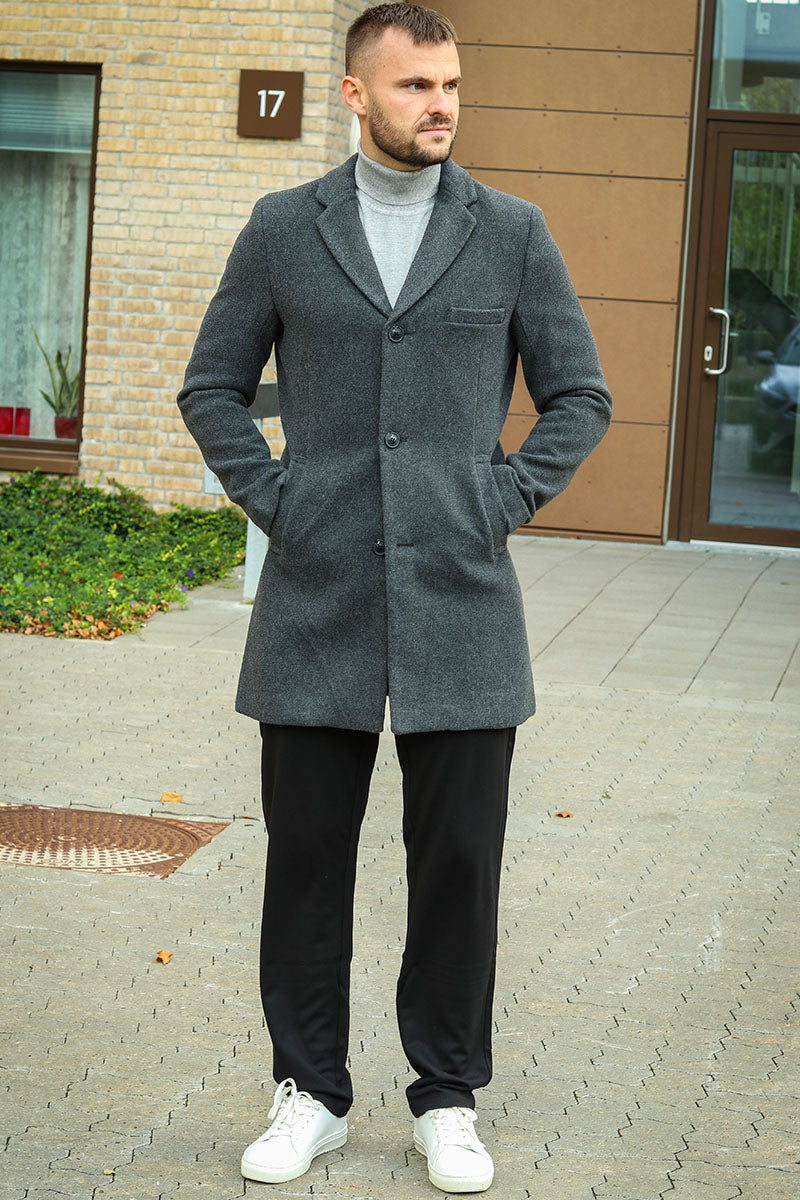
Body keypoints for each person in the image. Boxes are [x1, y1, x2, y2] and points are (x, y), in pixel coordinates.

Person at [178, 3, 612, 1192]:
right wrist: (283, 501)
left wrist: (495, 500)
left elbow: (578, 394)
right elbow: (211, 387)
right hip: (313, 598)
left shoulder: (509, 232)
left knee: (458, 867)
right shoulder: (283, 228)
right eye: (416, 84)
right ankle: (310, 1093)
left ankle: (446, 1099)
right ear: (355, 94)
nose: (440, 105)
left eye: (451, 85)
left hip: (462, 602)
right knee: (305, 865)